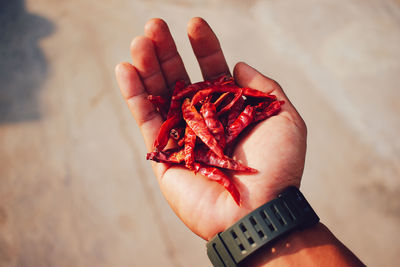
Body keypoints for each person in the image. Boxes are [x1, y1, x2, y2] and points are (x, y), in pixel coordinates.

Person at [115, 17, 365, 267]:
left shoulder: (213, 116)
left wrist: (255, 208)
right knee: (200, 136)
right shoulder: (191, 121)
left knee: (207, 134)